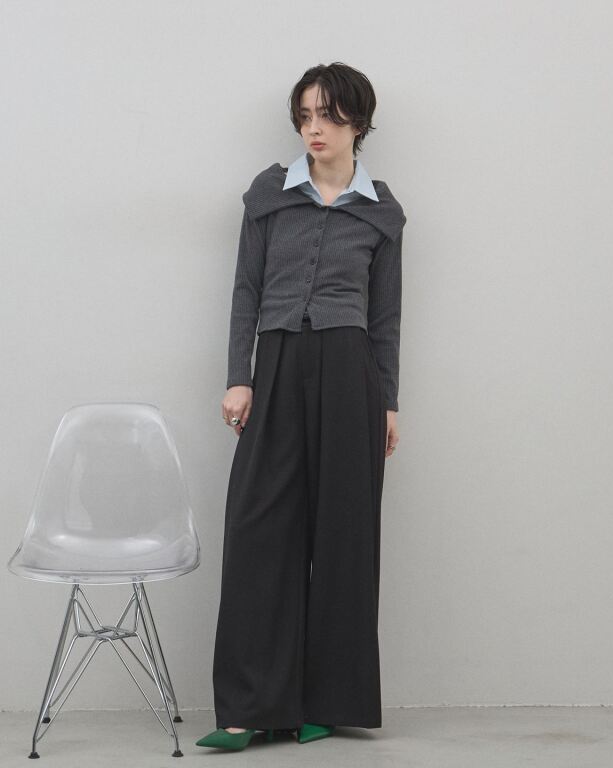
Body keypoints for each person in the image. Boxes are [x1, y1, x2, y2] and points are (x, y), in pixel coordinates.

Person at [196, 61, 406, 752]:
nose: (315, 129)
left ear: (358, 123)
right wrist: (240, 376)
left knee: (344, 535)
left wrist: (388, 402)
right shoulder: (269, 194)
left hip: (351, 374)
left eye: (329, 116)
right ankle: (250, 708)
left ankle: (328, 702)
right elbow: (246, 292)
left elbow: (385, 318)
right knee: (259, 530)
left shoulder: (382, 212)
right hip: (279, 363)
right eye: (306, 116)